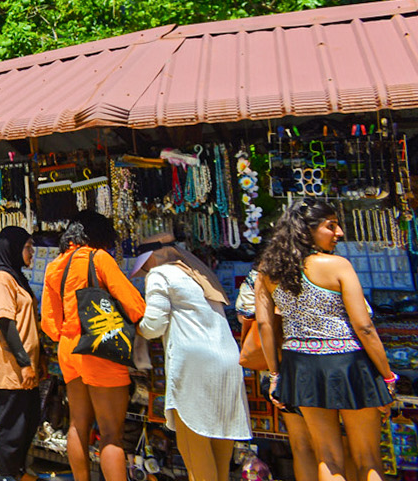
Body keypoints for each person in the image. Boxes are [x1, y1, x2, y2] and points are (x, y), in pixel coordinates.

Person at [257, 199, 396, 481]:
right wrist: (387, 376)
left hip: (301, 366)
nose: (340, 233)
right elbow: (364, 327)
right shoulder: (337, 266)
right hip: (348, 364)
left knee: (328, 457)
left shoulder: (268, 271)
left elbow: (264, 324)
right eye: (330, 226)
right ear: (307, 230)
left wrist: (274, 374)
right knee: (367, 457)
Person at [41, 212, 147, 481]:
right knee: (112, 433)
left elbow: (50, 326)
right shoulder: (98, 258)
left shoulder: (54, 266)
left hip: (68, 348)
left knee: (78, 424)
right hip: (99, 345)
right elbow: (135, 306)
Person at [134, 244, 251, 481]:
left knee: (194, 449)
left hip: (195, 366)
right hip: (227, 361)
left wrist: (136, 327)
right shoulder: (197, 272)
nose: (145, 271)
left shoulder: (160, 273)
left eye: (144, 265)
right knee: (220, 453)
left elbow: (154, 325)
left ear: (152, 258)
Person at [239, 267, 320, 481]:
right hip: (324, 363)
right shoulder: (322, 268)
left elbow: (248, 317)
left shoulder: (259, 276)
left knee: (301, 445)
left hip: (284, 366)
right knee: (334, 446)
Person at [0, 226, 42, 481]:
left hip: (25, 368)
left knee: (27, 423)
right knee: (12, 429)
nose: (32, 252)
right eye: (28, 247)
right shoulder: (1, 280)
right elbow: (7, 324)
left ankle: (17, 472)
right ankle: (7, 476)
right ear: (13, 248)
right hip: (12, 369)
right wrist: (25, 363)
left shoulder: (14, 277)